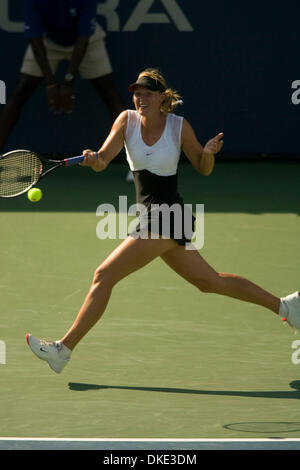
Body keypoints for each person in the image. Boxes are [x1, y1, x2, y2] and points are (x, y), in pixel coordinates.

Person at [25, 68, 300, 374]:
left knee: (104, 275)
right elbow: (103, 160)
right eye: (136, 93)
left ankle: (63, 349)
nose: (140, 98)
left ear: (160, 97)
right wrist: (93, 158)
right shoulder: (125, 121)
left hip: (167, 215)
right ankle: (286, 307)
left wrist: (208, 153)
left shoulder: (179, 127)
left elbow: (203, 167)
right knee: (210, 282)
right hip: (151, 215)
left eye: (147, 93)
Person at [0, 0, 126, 152]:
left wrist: (68, 80)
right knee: (20, 91)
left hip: (87, 41)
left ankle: (138, 160)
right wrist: (51, 84)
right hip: (46, 42)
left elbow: (83, 37)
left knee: (109, 92)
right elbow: (35, 37)